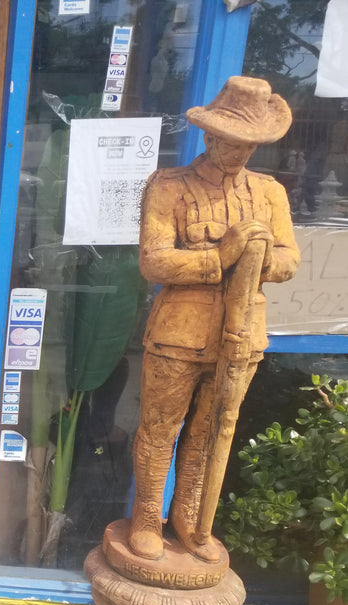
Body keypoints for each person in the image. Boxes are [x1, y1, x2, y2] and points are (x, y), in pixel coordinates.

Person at [130, 76, 300, 562]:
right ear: (210, 136)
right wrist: (222, 256)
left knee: (210, 429)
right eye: (232, 142)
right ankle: (147, 515)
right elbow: (153, 260)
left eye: (251, 145)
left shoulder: (269, 193)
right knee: (160, 427)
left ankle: (188, 515)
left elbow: (290, 259)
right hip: (179, 333)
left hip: (243, 332)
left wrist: (262, 256)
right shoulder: (169, 188)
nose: (240, 153)